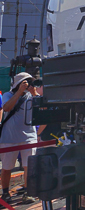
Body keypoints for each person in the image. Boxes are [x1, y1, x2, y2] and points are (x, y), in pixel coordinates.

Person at [0, 73, 41, 204]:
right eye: (25, 82)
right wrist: (19, 93)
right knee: (7, 167)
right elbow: (6, 107)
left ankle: (28, 192)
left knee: (29, 166)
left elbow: (43, 108)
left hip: (29, 136)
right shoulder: (8, 95)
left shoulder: (32, 96)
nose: (28, 84)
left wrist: (34, 93)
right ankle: (5, 193)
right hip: (9, 137)